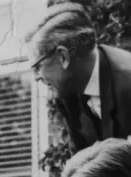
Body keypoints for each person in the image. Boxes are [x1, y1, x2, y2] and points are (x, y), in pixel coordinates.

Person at [25, 2, 131, 154]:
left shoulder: (127, 80)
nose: (36, 77)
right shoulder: (70, 93)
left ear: (63, 57)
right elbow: (80, 162)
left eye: (37, 67)